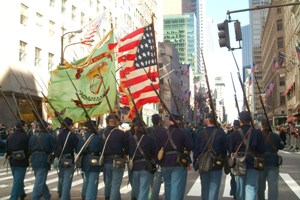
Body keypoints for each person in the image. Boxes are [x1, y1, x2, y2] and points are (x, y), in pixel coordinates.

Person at [228, 111, 265, 200]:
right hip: (253, 163)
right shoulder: (257, 133)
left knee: (240, 190)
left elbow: (231, 149)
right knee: (251, 188)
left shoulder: (234, 134)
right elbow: (262, 149)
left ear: (240, 121)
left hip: (239, 164)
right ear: (250, 120)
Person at [157, 114, 193, 200]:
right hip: (178, 162)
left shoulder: (162, 134)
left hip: (165, 162)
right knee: (176, 186)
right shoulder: (182, 132)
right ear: (178, 121)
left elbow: (157, 148)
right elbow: (190, 146)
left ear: (169, 121)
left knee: (167, 185)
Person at [193, 113, 227, 200]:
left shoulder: (200, 133)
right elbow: (224, 149)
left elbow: (196, 149)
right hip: (217, 163)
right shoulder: (220, 132)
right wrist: (223, 159)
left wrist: (195, 161)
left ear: (207, 120)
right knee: (214, 189)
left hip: (203, 162)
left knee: (204, 187)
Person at [102, 114, 129, 200]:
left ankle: (107, 197)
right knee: (116, 184)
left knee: (108, 182)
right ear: (116, 122)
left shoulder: (102, 133)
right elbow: (126, 147)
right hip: (118, 160)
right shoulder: (121, 133)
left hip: (106, 160)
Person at [129, 117, 156, 200]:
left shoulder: (130, 139)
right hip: (145, 166)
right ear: (144, 127)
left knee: (136, 189)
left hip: (134, 166)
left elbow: (128, 152)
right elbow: (154, 152)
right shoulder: (149, 139)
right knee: (144, 189)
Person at [257, 119, 284, 200]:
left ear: (261, 126)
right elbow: (281, 145)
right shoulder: (275, 136)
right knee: (273, 186)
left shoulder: (258, 135)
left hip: (260, 162)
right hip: (273, 162)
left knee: (260, 186)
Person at [29, 120, 56, 200]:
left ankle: (47, 196)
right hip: (43, 159)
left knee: (40, 180)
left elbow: (29, 149)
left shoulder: (33, 137)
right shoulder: (48, 136)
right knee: (39, 182)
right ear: (46, 127)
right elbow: (54, 147)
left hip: (34, 159)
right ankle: (35, 197)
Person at [54, 117, 79, 200]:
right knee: (67, 181)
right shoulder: (72, 135)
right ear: (70, 125)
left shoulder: (59, 135)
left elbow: (56, 147)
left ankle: (65, 196)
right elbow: (77, 147)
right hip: (68, 159)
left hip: (60, 158)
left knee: (62, 178)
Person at [77, 120, 103, 200]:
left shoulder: (82, 137)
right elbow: (101, 149)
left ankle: (85, 195)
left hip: (85, 160)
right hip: (95, 159)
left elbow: (78, 150)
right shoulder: (98, 138)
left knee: (87, 179)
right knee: (92, 182)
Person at [6, 120, 29, 200]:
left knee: (17, 179)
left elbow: (7, 149)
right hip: (22, 161)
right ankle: (13, 198)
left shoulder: (10, 136)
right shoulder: (26, 136)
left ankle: (21, 193)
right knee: (17, 181)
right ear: (23, 126)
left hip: (12, 160)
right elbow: (28, 149)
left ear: (15, 127)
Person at [146, 114, 167, 200]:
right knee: (158, 176)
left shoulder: (147, 130)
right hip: (159, 155)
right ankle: (154, 196)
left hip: (149, 156)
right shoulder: (164, 130)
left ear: (152, 121)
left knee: (150, 176)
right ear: (159, 121)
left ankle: (151, 194)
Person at [226, 120, 240, 200]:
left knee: (233, 177)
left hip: (232, 159)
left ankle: (235, 194)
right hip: (242, 160)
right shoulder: (244, 134)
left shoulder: (229, 136)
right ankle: (237, 193)